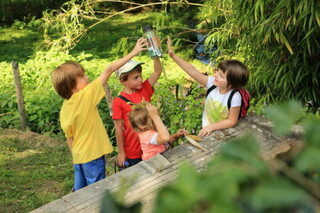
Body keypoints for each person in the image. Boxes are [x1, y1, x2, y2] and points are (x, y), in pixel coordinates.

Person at [51, 38, 147, 191]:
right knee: (96, 191)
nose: (87, 78)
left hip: (79, 157)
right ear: (72, 86)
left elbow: (70, 139)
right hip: (93, 155)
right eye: (82, 76)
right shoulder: (85, 96)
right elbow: (108, 70)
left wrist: (76, 159)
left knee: (80, 191)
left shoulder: (65, 108)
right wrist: (134, 52)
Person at [167, 37, 249, 137]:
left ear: (230, 84)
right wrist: (173, 56)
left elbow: (232, 121)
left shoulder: (235, 97)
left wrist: (211, 127)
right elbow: (192, 71)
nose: (215, 75)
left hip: (223, 133)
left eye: (221, 76)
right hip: (207, 131)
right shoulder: (213, 84)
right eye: (217, 71)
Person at [112, 44, 163, 167]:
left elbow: (157, 71)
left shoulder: (144, 89)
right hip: (133, 151)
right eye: (135, 78)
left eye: (140, 75)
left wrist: (155, 53)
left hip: (151, 146)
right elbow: (119, 129)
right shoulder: (118, 102)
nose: (140, 79)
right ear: (123, 81)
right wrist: (121, 152)